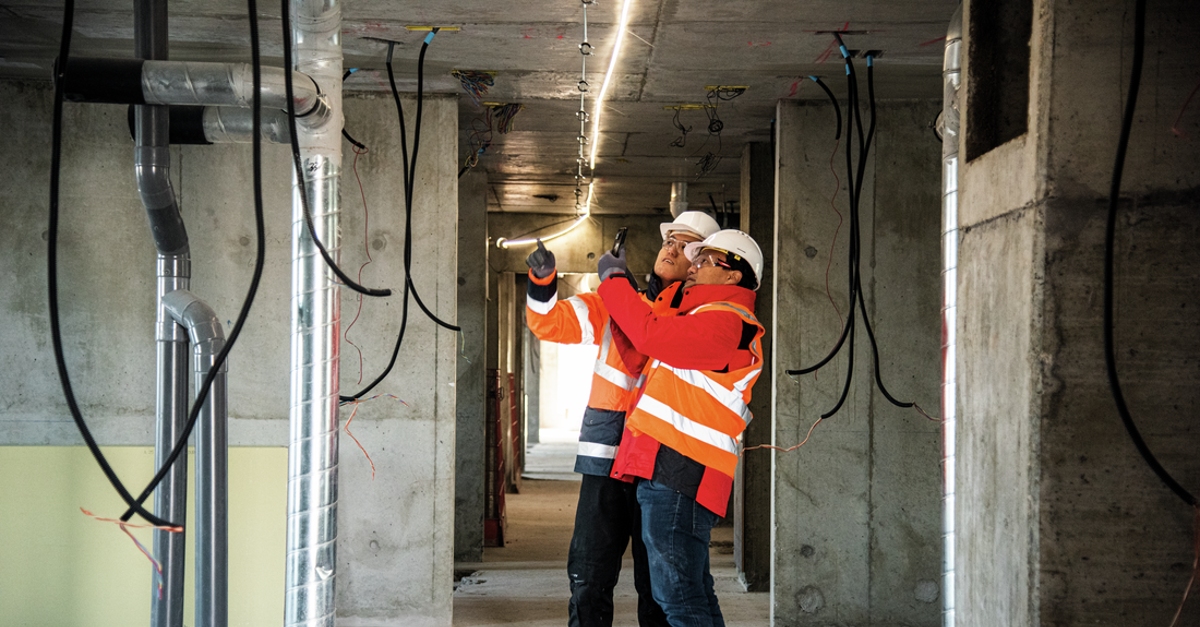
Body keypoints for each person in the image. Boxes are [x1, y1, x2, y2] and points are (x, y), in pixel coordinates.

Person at [524, 211, 721, 627]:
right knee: (589, 575)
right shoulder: (615, 304)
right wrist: (542, 283)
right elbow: (550, 322)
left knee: (659, 587)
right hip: (607, 460)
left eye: (684, 244)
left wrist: (618, 289)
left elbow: (652, 336)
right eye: (669, 240)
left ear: (701, 261)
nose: (670, 247)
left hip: (661, 466)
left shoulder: (697, 318)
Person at [594, 229, 766, 627]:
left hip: (682, 472)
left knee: (679, 597)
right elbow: (645, 339)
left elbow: (652, 334)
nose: (693, 266)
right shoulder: (701, 316)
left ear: (733, 276)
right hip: (671, 469)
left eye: (705, 260)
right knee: (692, 593)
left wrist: (614, 283)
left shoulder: (729, 322)